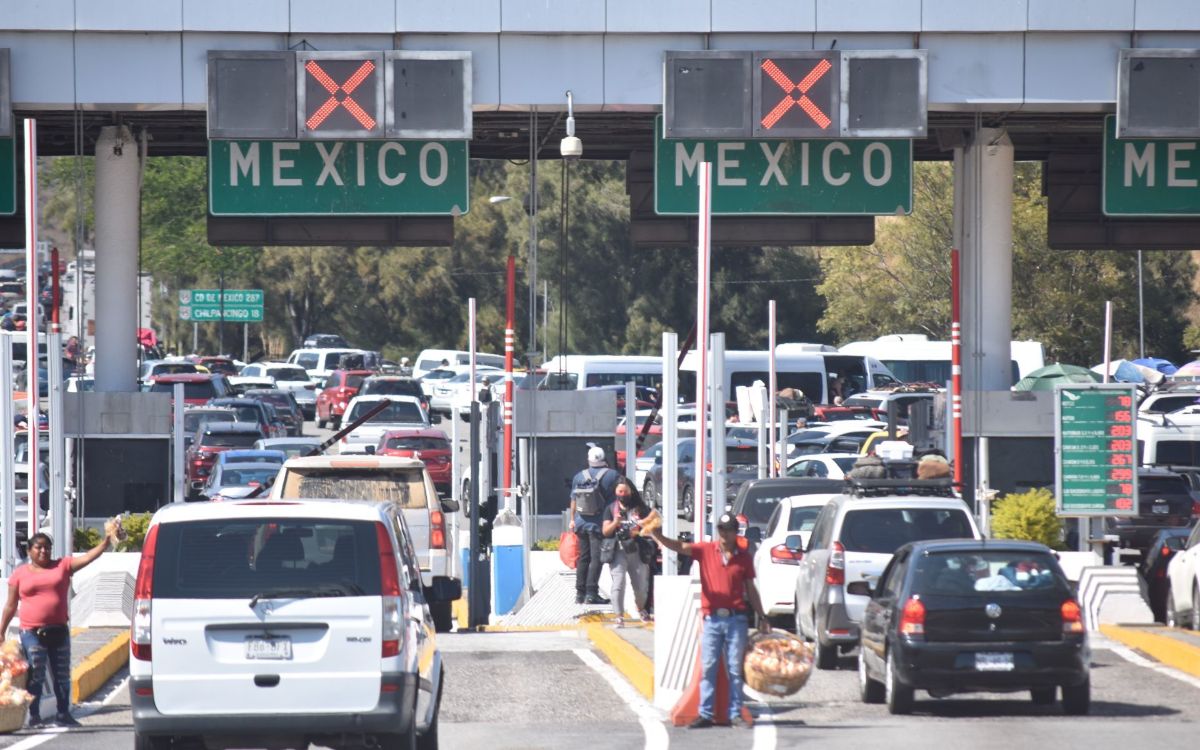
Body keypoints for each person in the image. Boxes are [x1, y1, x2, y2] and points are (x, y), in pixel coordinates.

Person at [647, 513, 770, 729]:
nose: (725, 534)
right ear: (718, 532)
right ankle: (705, 712)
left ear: (735, 532)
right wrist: (658, 535)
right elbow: (680, 547)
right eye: (722, 530)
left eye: (729, 530)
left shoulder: (743, 557)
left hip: (736, 619)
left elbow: (751, 588)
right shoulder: (705, 550)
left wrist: (762, 616)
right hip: (712, 618)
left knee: (734, 668)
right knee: (708, 666)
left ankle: (735, 713)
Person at [1, 521, 121, 727]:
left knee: (62, 674)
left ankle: (63, 713)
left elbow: (88, 557)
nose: (43, 551)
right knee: (36, 671)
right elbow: (10, 606)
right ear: (29, 551)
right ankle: (34, 714)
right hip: (31, 631)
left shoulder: (63, 565)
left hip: (58, 630)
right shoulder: (19, 574)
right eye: (38, 547)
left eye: (47, 547)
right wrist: (1, 630)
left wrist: (106, 542)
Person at [602, 477, 659, 627]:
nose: (622, 494)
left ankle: (641, 609)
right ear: (615, 492)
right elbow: (605, 531)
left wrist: (639, 530)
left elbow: (653, 526)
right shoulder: (611, 509)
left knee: (641, 586)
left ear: (631, 492)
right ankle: (619, 616)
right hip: (618, 550)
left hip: (636, 549)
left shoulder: (640, 508)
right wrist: (616, 522)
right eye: (620, 491)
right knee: (618, 583)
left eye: (625, 491)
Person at [569, 446, 619, 605]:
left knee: (584, 557)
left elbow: (573, 501)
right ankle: (591, 593)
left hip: (581, 523)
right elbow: (617, 500)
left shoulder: (579, 476)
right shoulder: (612, 475)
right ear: (604, 458)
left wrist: (572, 519)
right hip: (600, 523)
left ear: (588, 459)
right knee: (596, 559)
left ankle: (579, 594)